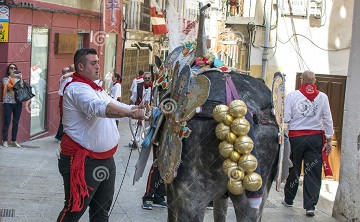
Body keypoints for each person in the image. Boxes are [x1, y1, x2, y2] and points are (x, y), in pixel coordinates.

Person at [57, 48, 145, 221]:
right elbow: (101, 108)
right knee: (74, 210)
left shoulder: (95, 88)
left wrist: (134, 109)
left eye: (98, 62)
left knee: (101, 211)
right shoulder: (76, 89)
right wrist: (130, 114)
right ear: (81, 66)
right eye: (93, 63)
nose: (98, 66)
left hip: (104, 159)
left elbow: (112, 102)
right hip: (84, 160)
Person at [282, 70, 334, 217]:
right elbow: (328, 119)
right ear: (315, 81)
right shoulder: (323, 97)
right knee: (313, 172)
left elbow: (286, 118)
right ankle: (310, 206)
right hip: (315, 139)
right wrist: (329, 139)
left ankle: (289, 199)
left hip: (296, 138)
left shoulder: (292, 96)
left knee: (294, 169)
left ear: (301, 80)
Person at [134, 72, 166, 210]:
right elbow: (150, 110)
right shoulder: (157, 91)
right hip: (160, 133)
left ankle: (159, 197)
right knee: (157, 165)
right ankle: (148, 196)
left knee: (166, 166)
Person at [2, 64, 23, 148]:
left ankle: (14, 140)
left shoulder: (19, 79)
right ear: (8, 70)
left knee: (16, 122)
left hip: (17, 103)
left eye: (15, 68)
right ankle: (5, 140)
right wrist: (12, 76)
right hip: (8, 102)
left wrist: (20, 78)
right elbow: (8, 87)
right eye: (11, 68)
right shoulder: (5, 79)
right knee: (7, 121)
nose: (13, 69)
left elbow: (21, 87)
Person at [55, 67, 73, 142]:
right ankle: (59, 135)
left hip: (68, 98)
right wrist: (75, 72)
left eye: (68, 71)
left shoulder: (71, 79)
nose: (68, 72)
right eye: (66, 71)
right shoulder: (63, 78)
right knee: (63, 117)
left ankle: (63, 135)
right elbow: (65, 76)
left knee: (67, 118)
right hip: (63, 98)